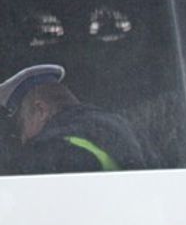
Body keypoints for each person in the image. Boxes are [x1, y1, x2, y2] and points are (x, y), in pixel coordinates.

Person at [0, 63, 148, 174]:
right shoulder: (124, 128)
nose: (22, 138)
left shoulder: (53, 149)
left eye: (21, 125)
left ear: (41, 110)